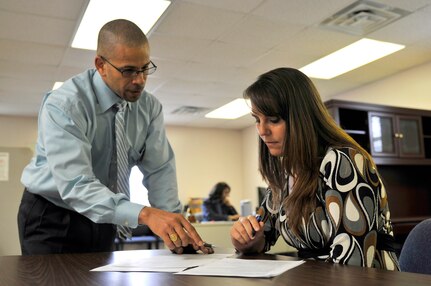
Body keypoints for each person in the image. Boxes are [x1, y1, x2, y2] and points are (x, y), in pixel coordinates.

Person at [17, 19, 212, 255]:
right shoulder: (66, 105)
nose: (139, 79)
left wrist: (175, 226)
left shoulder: (149, 108)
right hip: (52, 215)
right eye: (129, 70)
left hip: (105, 216)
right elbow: (76, 184)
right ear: (101, 65)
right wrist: (145, 214)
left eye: (144, 68)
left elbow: (160, 170)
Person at [230, 67, 400, 270]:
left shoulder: (344, 160)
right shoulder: (286, 174)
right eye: (257, 120)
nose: (262, 130)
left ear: (301, 117)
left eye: (273, 120)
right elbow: (262, 236)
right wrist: (245, 239)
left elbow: (353, 260)